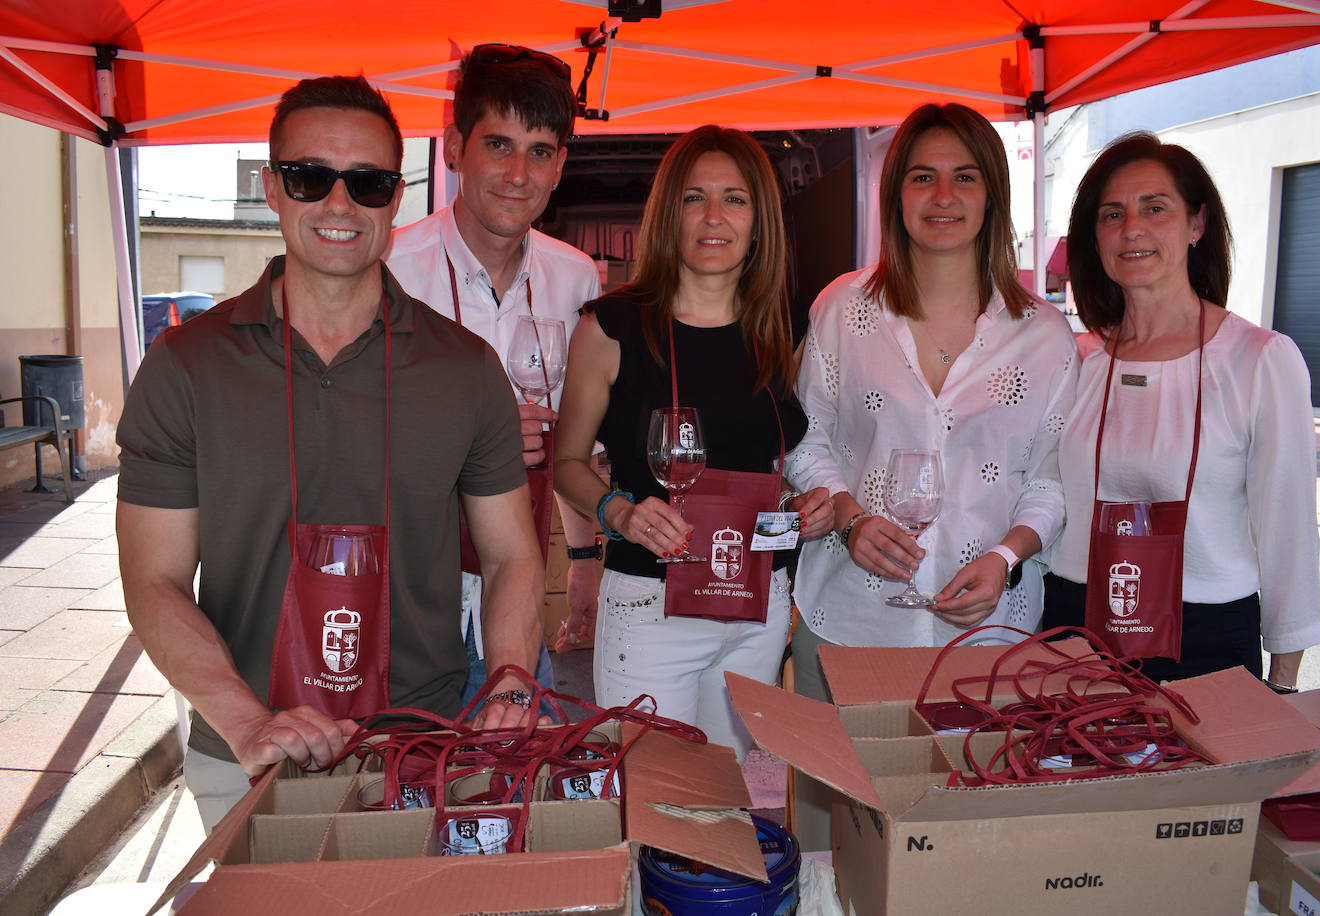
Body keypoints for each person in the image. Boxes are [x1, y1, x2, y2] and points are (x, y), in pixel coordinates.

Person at [116, 75, 546, 831]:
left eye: (370, 183)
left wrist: (510, 681)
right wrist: (245, 721)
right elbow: (152, 580)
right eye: (311, 177)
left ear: (396, 198)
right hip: (247, 755)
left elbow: (511, 553)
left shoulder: (467, 369)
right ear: (272, 188)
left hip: (423, 750)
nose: (340, 205)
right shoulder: (186, 366)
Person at [781, 103, 1077, 848]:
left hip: (985, 637)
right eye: (922, 177)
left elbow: (1051, 478)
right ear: (895, 194)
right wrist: (846, 513)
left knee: (960, 841)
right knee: (833, 834)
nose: (942, 197)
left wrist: (1006, 556)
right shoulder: (843, 310)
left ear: (992, 194)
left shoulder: (1044, 335)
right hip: (847, 619)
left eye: (964, 177)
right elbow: (803, 438)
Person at [552, 126, 831, 759]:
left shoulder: (774, 334)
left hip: (755, 603)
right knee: (659, 800)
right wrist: (616, 511)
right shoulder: (611, 326)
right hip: (653, 607)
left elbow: (773, 464)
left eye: (734, 199)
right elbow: (566, 463)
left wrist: (808, 505)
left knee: (727, 798)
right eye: (693, 198)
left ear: (759, 219)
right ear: (666, 214)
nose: (713, 217)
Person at [1042, 132, 1320, 686]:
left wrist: (1285, 681)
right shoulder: (1079, 361)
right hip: (1072, 631)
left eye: (1155, 208)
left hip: (1205, 638)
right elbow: (1048, 492)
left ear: (1196, 225)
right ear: (1094, 237)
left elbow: (1287, 529)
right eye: (1112, 214)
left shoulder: (1259, 360)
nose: (1132, 229)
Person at [386, 44, 602, 695]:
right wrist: (476, 433)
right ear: (453, 146)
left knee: (506, 789)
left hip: (517, 600)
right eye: (499, 145)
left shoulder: (577, 279)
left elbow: (574, 447)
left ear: (561, 165)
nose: (518, 173)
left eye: (540, 151)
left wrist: (586, 565)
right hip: (404, 603)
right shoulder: (390, 272)